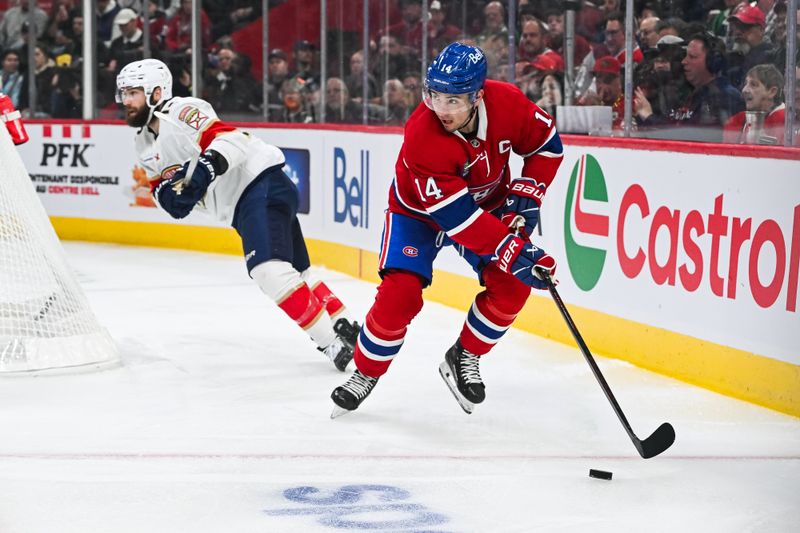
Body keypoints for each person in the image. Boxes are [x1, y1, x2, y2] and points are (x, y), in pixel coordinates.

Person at [330, 43, 563, 416]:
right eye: (434, 95)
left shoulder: (509, 103)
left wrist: (529, 191)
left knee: (513, 286)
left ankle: (464, 355)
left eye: (453, 100)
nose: (441, 109)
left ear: (478, 96)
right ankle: (365, 372)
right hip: (417, 215)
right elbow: (456, 219)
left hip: (486, 203)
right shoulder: (422, 133)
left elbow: (547, 146)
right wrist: (512, 250)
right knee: (400, 295)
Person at [115, 58, 359, 372]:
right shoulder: (143, 142)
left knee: (268, 270)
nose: (126, 101)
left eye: (133, 92)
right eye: (123, 93)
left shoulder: (181, 111)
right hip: (246, 202)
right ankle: (343, 325)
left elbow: (232, 139)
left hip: (259, 184)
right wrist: (169, 198)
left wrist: (203, 171)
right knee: (296, 274)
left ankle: (333, 344)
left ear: (157, 92)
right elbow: (160, 185)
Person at [723, 63, 785, 144]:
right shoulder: (736, 122)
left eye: (753, 85)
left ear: (772, 91)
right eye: (746, 84)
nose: (744, 90)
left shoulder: (789, 123)